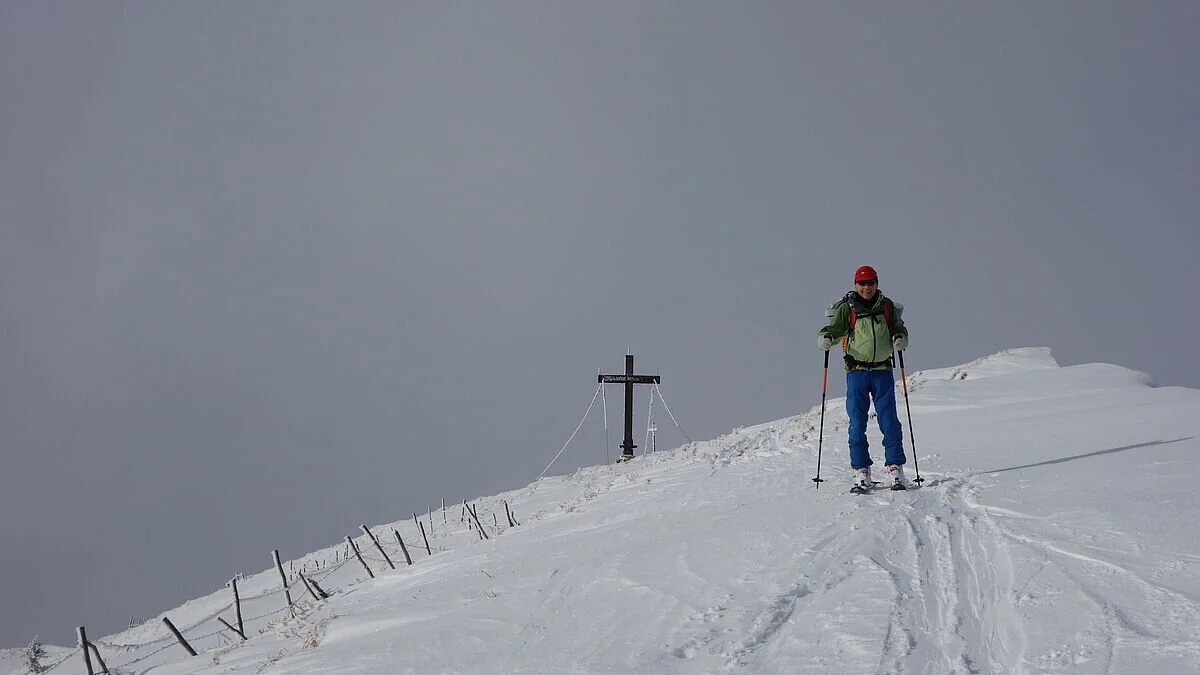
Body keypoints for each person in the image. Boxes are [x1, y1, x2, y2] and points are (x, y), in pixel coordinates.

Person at [817, 265, 910, 490]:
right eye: (862, 283)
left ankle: (895, 467)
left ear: (877, 283)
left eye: (870, 283)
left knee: (889, 420)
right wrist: (825, 337)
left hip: (882, 370)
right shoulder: (847, 309)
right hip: (857, 370)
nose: (866, 288)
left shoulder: (886, 306)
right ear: (855, 285)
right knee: (857, 421)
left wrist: (901, 338)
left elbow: (899, 328)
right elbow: (834, 328)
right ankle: (861, 469)